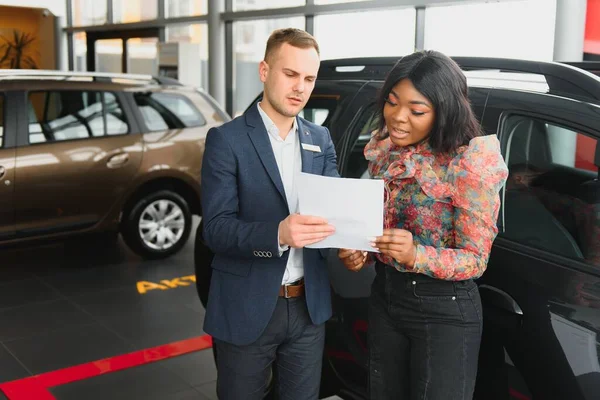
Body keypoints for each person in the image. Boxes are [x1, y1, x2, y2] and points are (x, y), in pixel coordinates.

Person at [338, 50, 508, 400]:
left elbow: (476, 260)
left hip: (444, 309)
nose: (398, 118)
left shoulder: (468, 165)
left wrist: (417, 254)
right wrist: (364, 253)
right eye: (392, 102)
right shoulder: (388, 152)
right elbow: (379, 226)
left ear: (444, 111)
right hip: (386, 297)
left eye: (416, 111)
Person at [200, 28, 339, 400]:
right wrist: (278, 234)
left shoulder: (319, 138)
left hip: (308, 307)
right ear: (264, 70)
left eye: (309, 78)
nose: (300, 87)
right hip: (248, 304)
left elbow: (334, 212)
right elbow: (215, 230)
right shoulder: (226, 140)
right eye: (290, 74)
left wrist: (351, 244)